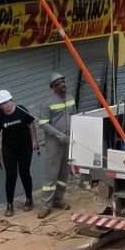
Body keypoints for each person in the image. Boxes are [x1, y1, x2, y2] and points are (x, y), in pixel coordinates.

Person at [0, 90, 37, 214]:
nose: (8, 104)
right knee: (11, 176)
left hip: (25, 147)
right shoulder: (0, 117)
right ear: (0, 106)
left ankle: (29, 199)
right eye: (4, 103)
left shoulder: (21, 110)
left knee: (24, 173)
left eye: (9, 101)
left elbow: (31, 124)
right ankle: (9, 204)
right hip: (9, 149)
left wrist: (34, 140)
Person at [35, 73, 74, 218]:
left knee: (64, 172)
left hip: (68, 140)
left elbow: (73, 116)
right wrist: (58, 134)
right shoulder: (47, 102)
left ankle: (59, 199)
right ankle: (46, 205)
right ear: (53, 87)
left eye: (63, 81)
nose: (62, 84)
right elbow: (43, 123)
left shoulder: (70, 98)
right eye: (58, 83)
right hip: (54, 142)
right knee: (51, 174)